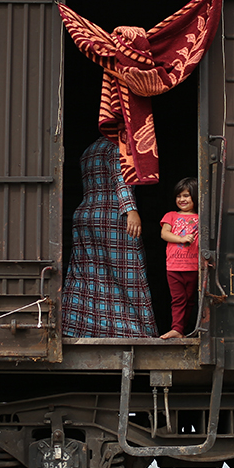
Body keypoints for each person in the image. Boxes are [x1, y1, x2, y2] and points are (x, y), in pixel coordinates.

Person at [62, 137, 157, 338]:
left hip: (85, 213)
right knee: (129, 273)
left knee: (87, 275)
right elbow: (120, 177)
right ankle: (135, 331)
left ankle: (78, 327)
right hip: (112, 214)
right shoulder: (118, 146)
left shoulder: (89, 148)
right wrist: (131, 209)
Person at [159, 177, 199, 339]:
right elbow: (164, 234)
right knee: (178, 299)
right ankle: (176, 329)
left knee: (190, 300)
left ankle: (182, 329)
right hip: (174, 267)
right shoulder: (171, 216)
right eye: (179, 196)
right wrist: (182, 239)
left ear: (195, 197)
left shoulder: (201, 218)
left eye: (186, 196)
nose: (182, 199)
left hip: (194, 267)